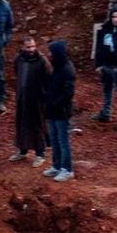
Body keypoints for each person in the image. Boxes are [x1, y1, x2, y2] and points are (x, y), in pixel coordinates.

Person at [10, 35, 48, 165]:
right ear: (23, 47)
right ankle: (22, 151)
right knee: (21, 124)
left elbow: (48, 78)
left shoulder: (42, 61)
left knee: (37, 125)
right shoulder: (18, 59)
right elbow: (16, 73)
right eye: (28, 47)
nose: (31, 49)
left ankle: (40, 154)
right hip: (22, 98)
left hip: (37, 99)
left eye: (33, 46)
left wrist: (43, 95)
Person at [43, 40, 77, 181]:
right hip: (52, 110)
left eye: (51, 52)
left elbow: (68, 92)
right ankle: (56, 166)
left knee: (63, 141)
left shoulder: (67, 69)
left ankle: (67, 169)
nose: (49, 54)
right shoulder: (56, 66)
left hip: (61, 111)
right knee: (55, 140)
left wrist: (55, 103)